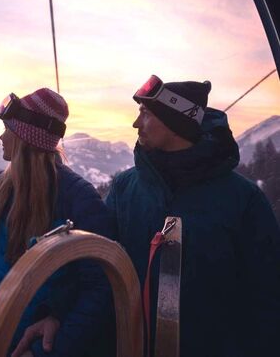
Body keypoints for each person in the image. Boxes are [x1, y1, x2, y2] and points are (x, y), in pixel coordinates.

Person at [0, 88, 114, 357]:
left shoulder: (79, 200)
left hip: (31, 342)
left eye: (8, 130)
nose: (2, 136)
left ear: (26, 138)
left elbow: (99, 286)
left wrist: (46, 347)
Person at [105, 75, 280, 357]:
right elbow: (96, 269)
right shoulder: (124, 190)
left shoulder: (243, 201)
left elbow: (268, 299)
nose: (136, 123)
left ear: (176, 123)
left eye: (146, 113)